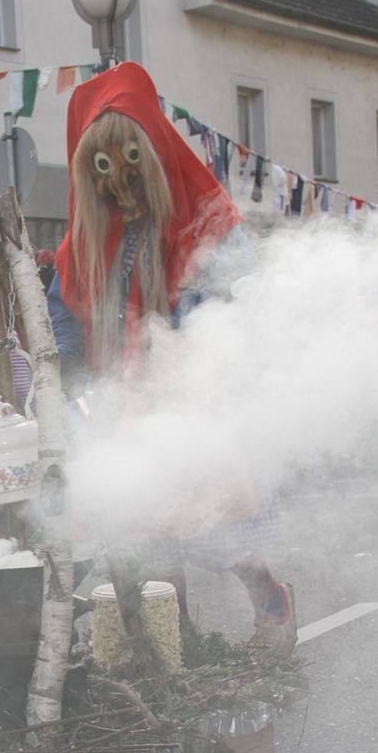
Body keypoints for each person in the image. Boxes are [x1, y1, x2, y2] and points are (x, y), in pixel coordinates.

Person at [52, 61, 295, 654]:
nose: (118, 180)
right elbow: (63, 307)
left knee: (216, 521)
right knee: (144, 530)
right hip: (123, 402)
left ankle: (272, 606)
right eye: (102, 167)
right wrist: (71, 373)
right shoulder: (88, 235)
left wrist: (200, 348)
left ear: (153, 152)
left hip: (196, 397)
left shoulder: (204, 213)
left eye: (129, 161)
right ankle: (171, 636)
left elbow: (245, 297)